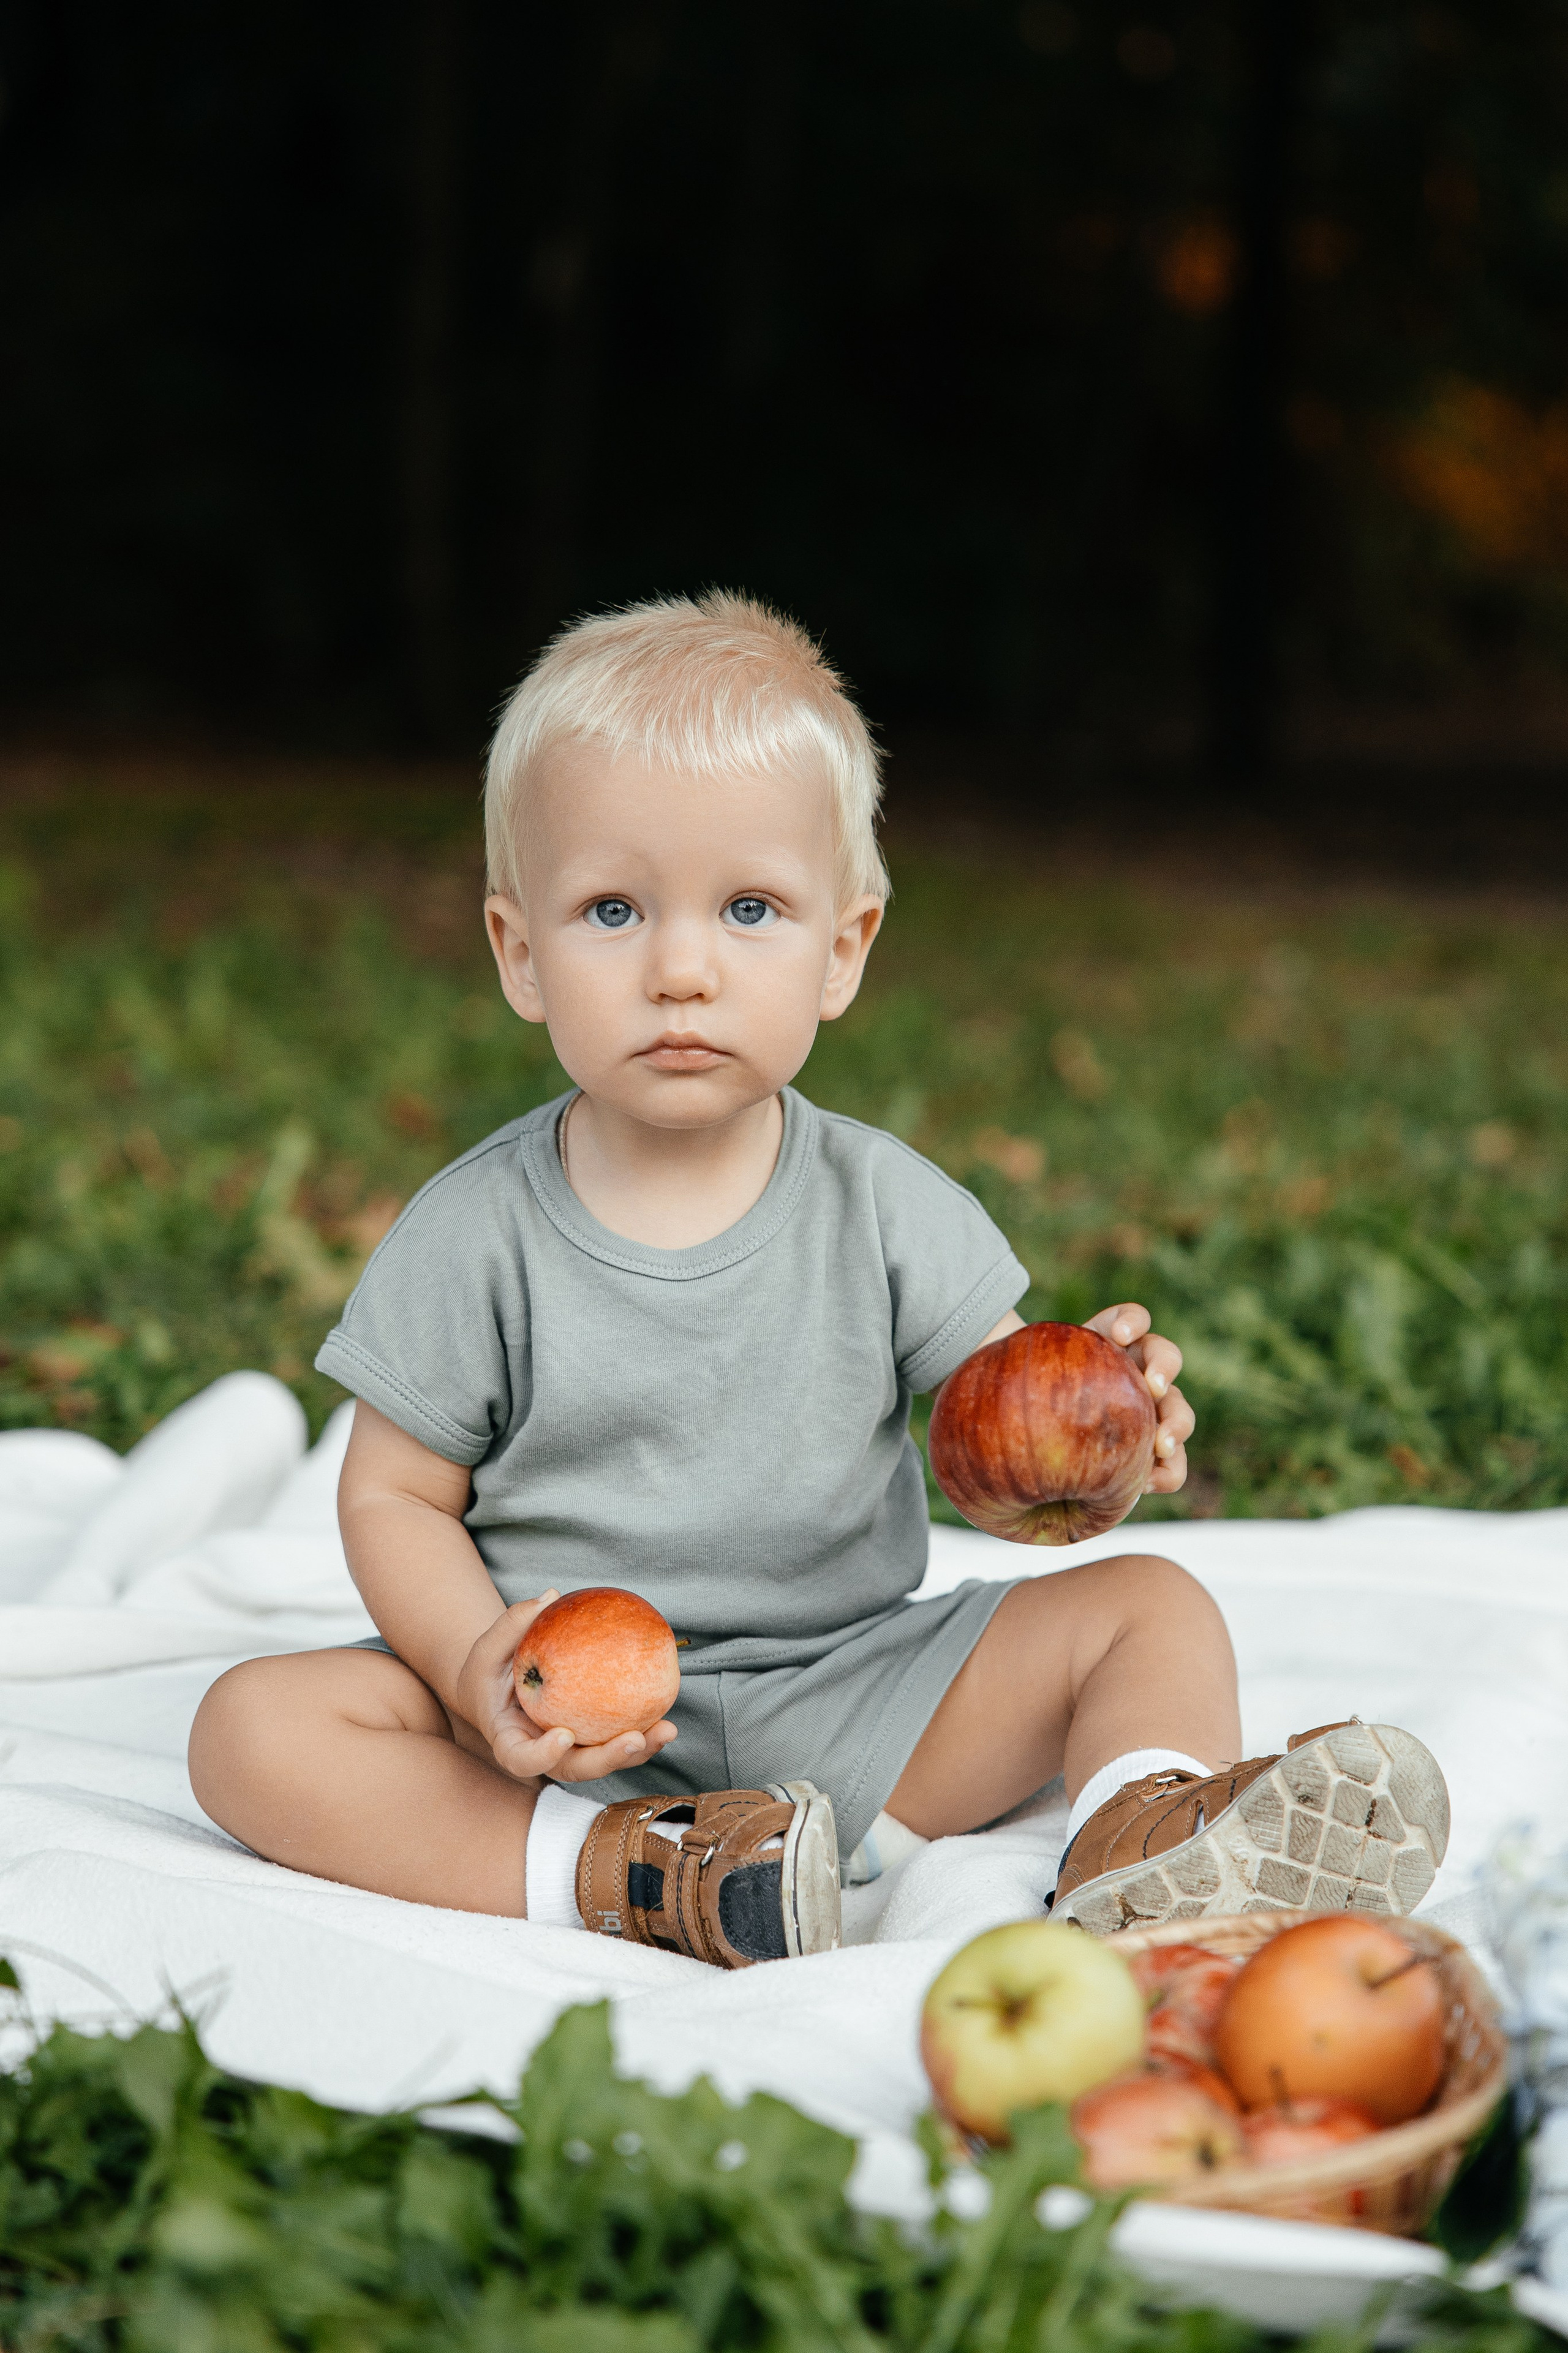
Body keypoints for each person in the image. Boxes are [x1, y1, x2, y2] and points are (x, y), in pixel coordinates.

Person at [189, 594, 1449, 1968]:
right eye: (611, 908)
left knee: (1151, 1608)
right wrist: (474, 1663)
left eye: (748, 908)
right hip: (561, 1735)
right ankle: (631, 1874)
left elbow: (998, 1424)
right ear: (519, 954)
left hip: (860, 1698)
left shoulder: (883, 1205)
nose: (680, 967)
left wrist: (1102, 1427)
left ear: (839, 950)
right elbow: (391, 1495)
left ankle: (1141, 1840)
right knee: (250, 1730)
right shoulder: (474, 1230)